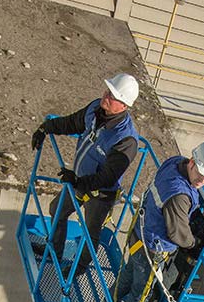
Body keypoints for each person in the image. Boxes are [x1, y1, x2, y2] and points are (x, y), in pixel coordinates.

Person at [109, 141, 204, 302]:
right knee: (139, 294)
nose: (202, 180)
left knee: (125, 277)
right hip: (153, 250)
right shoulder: (180, 196)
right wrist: (195, 243)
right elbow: (177, 233)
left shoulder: (174, 164)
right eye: (200, 173)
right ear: (192, 162)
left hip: (140, 235)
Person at [31, 73, 139, 273]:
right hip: (79, 182)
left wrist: (78, 181)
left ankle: (78, 268)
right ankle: (55, 250)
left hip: (100, 194)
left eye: (113, 96)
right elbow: (72, 123)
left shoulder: (125, 140)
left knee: (90, 234)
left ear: (124, 106)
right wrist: (44, 128)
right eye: (108, 90)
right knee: (57, 209)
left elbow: (107, 177)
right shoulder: (95, 109)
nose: (106, 95)